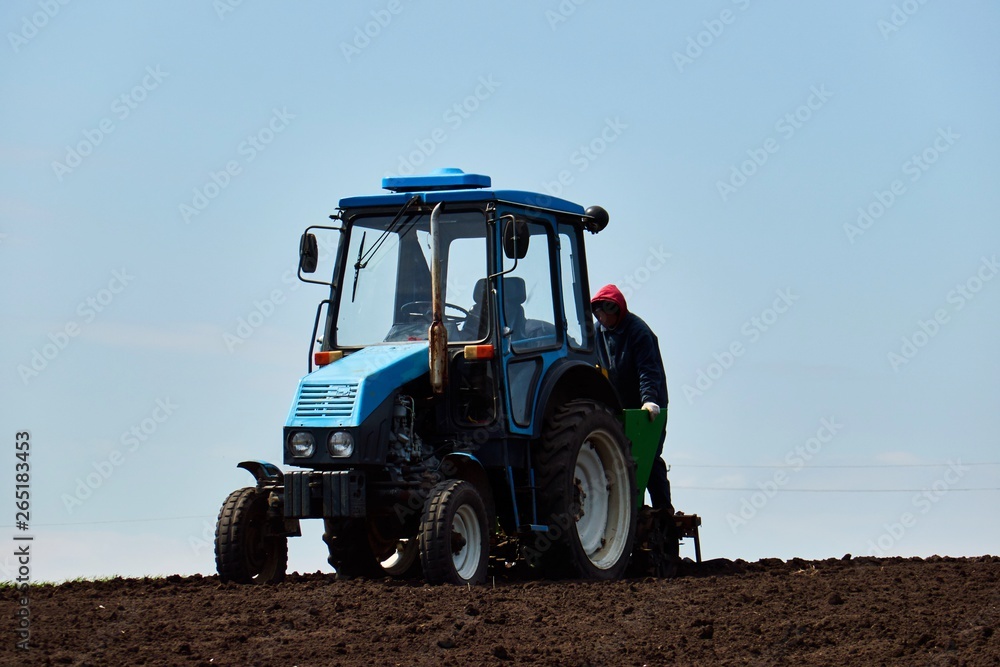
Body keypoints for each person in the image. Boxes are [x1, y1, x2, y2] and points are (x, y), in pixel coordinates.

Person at [591, 284, 673, 512]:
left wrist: (649, 400)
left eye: (604, 311)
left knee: (649, 455)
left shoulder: (638, 332)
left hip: (648, 405)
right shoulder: (597, 333)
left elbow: (648, 370)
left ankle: (662, 511)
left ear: (616, 310)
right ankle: (629, 511)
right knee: (620, 459)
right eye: (597, 312)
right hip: (620, 406)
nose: (601, 317)